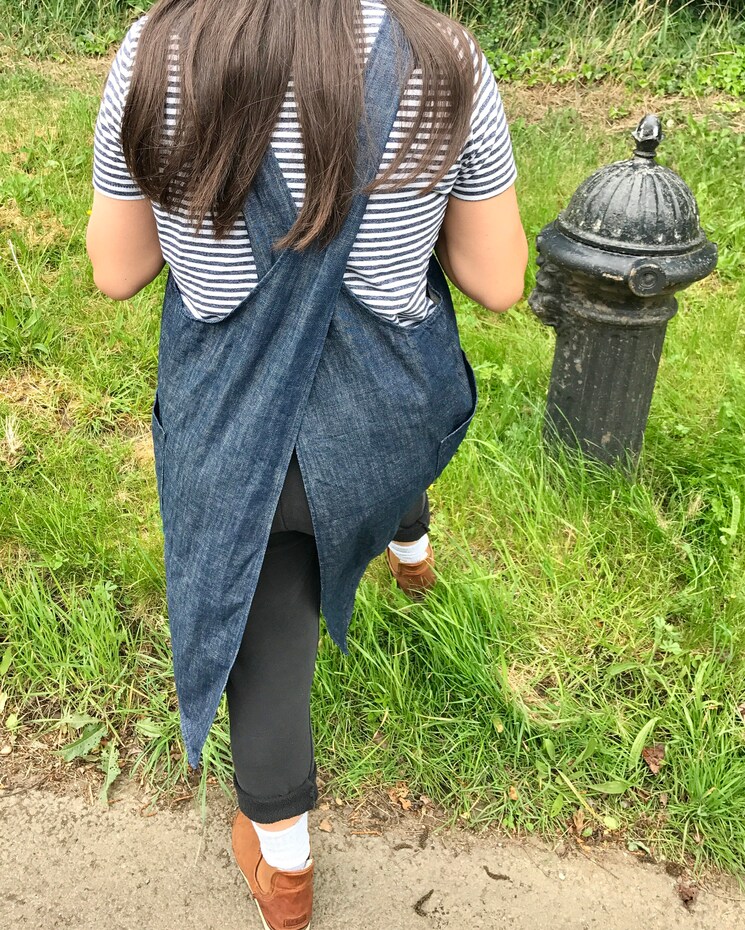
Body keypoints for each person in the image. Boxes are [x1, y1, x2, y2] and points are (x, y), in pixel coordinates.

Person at [87, 0, 528, 926]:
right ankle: (409, 545)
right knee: (371, 438)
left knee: (267, 602)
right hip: (387, 432)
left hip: (244, 450)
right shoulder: (444, 54)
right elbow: (497, 281)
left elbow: (117, 269)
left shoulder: (154, 48)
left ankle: (286, 867)